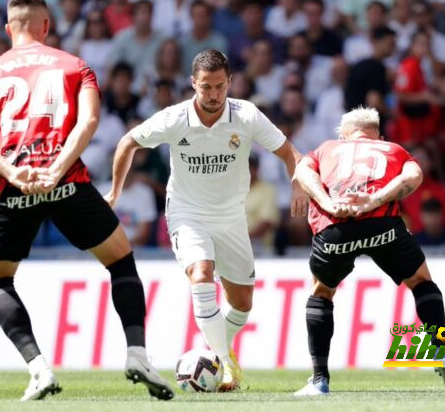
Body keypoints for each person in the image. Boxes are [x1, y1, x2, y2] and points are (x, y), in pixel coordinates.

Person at [0, 0, 173, 402]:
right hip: (68, 182)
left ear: (9, 29)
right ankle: (137, 354)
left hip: (14, 185)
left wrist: (10, 170)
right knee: (121, 261)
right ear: (46, 26)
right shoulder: (75, 65)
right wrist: (57, 169)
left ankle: (39, 369)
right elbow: (89, 119)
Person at [106, 49, 308, 391]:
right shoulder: (174, 118)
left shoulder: (246, 115)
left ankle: (213, 352)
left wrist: (298, 184)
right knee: (201, 275)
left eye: (219, 86)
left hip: (231, 216)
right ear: (192, 84)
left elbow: (289, 151)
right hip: (187, 212)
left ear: (229, 82)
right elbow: (128, 143)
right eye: (205, 87)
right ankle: (226, 365)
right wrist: (114, 193)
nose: (213, 95)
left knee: (242, 302)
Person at [292, 107, 445, 396]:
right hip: (382, 225)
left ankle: (319, 379)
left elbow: (301, 172)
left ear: (344, 135)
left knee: (321, 293)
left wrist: (329, 201)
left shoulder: (327, 148)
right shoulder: (392, 149)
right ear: (378, 136)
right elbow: (414, 175)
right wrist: (374, 200)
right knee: (421, 282)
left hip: (335, 229)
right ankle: (441, 352)